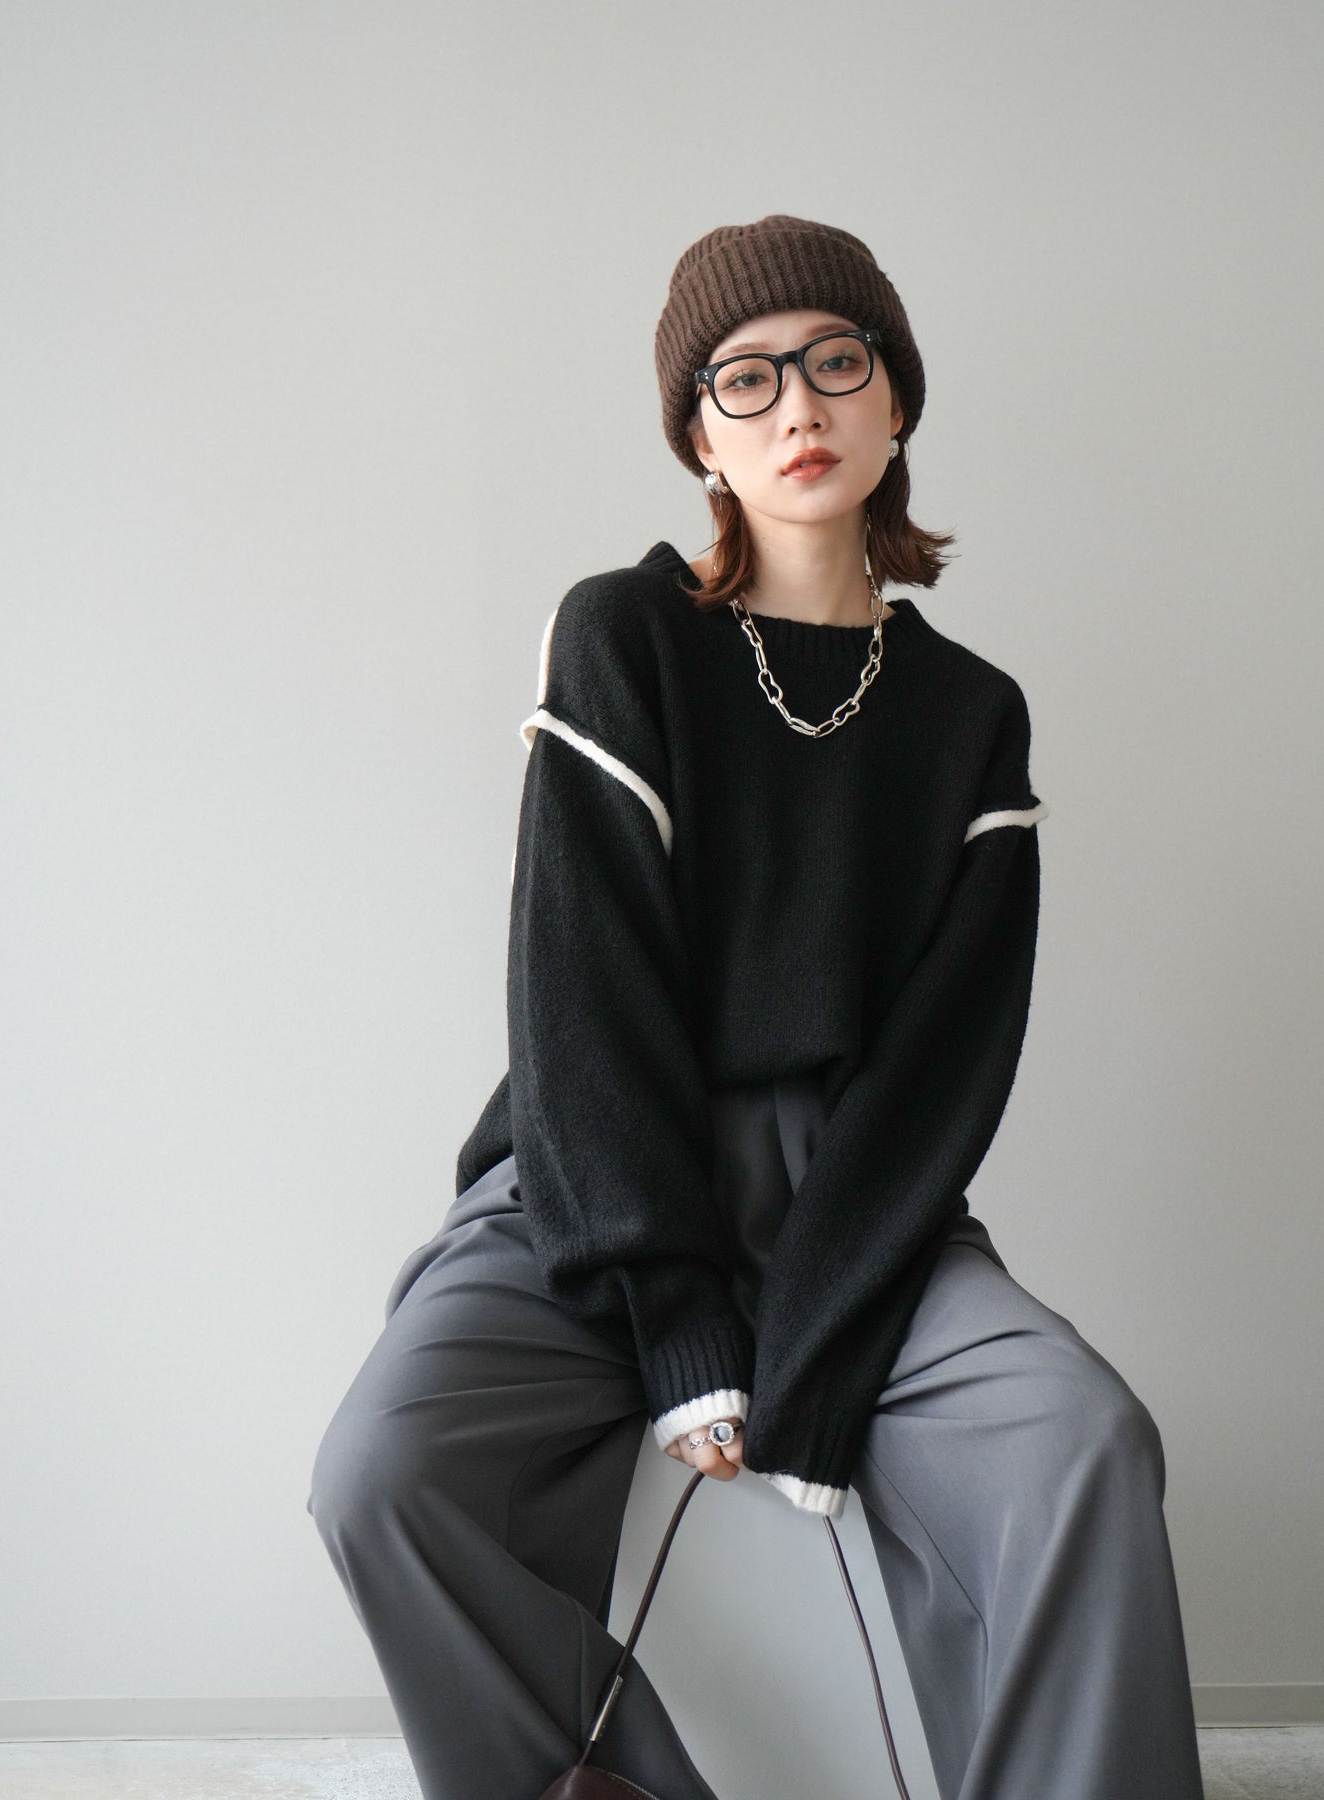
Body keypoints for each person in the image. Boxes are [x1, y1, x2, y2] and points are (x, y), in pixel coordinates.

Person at [307, 214, 1205, 1800]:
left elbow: (941, 1068)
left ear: (895, 401)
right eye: (745, 380)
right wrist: (677, 1319)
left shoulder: (969, 713)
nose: (796, 407)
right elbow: (579, 997)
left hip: (856, 1202)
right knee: (383, 1472)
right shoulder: (623, 634)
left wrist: (819, 1340)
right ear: (698, 437)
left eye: (834, 363)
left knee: (1084, 1442)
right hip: (595, 1178)